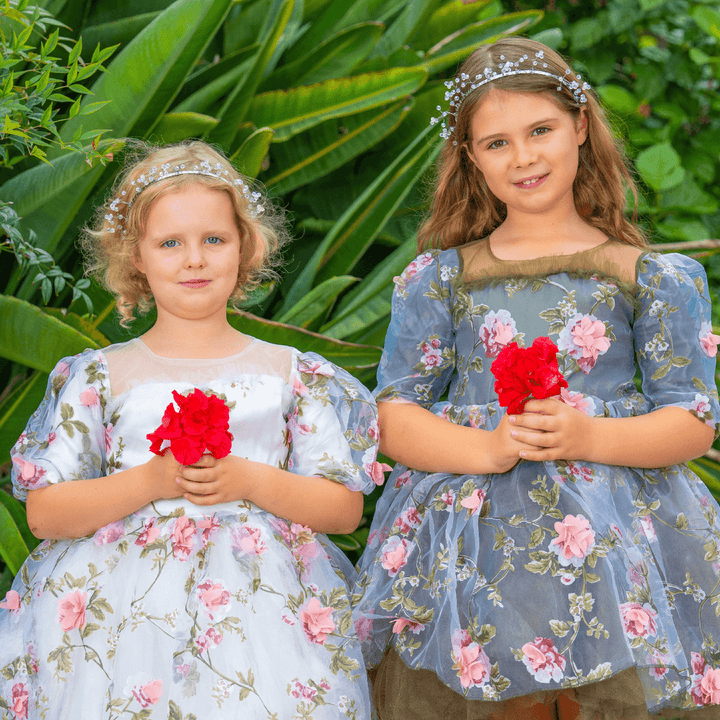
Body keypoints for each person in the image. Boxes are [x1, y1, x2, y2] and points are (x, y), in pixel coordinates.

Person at [351, 37, 720, 720]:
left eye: (541, 130)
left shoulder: (652, 280)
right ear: (469, 157)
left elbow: (693, 419)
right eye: (496, 143)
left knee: (610, 694)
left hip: (616, 543)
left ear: (580, 127)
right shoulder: (439, 280)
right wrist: (488, 448)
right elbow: (396, 414)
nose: (523, 157)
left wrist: (585, 434)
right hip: (473, 546)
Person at [0, 141, 380, 720]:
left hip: (264, 617)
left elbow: (342, 509)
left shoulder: (290, 374)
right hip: (122, 621)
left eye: (214, 240)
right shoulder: (99, 376)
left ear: (245, 247)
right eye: (170, 243)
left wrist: (246, 478)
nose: (194, 259)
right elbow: (46, 513)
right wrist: (152, 479)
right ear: (136, 258)